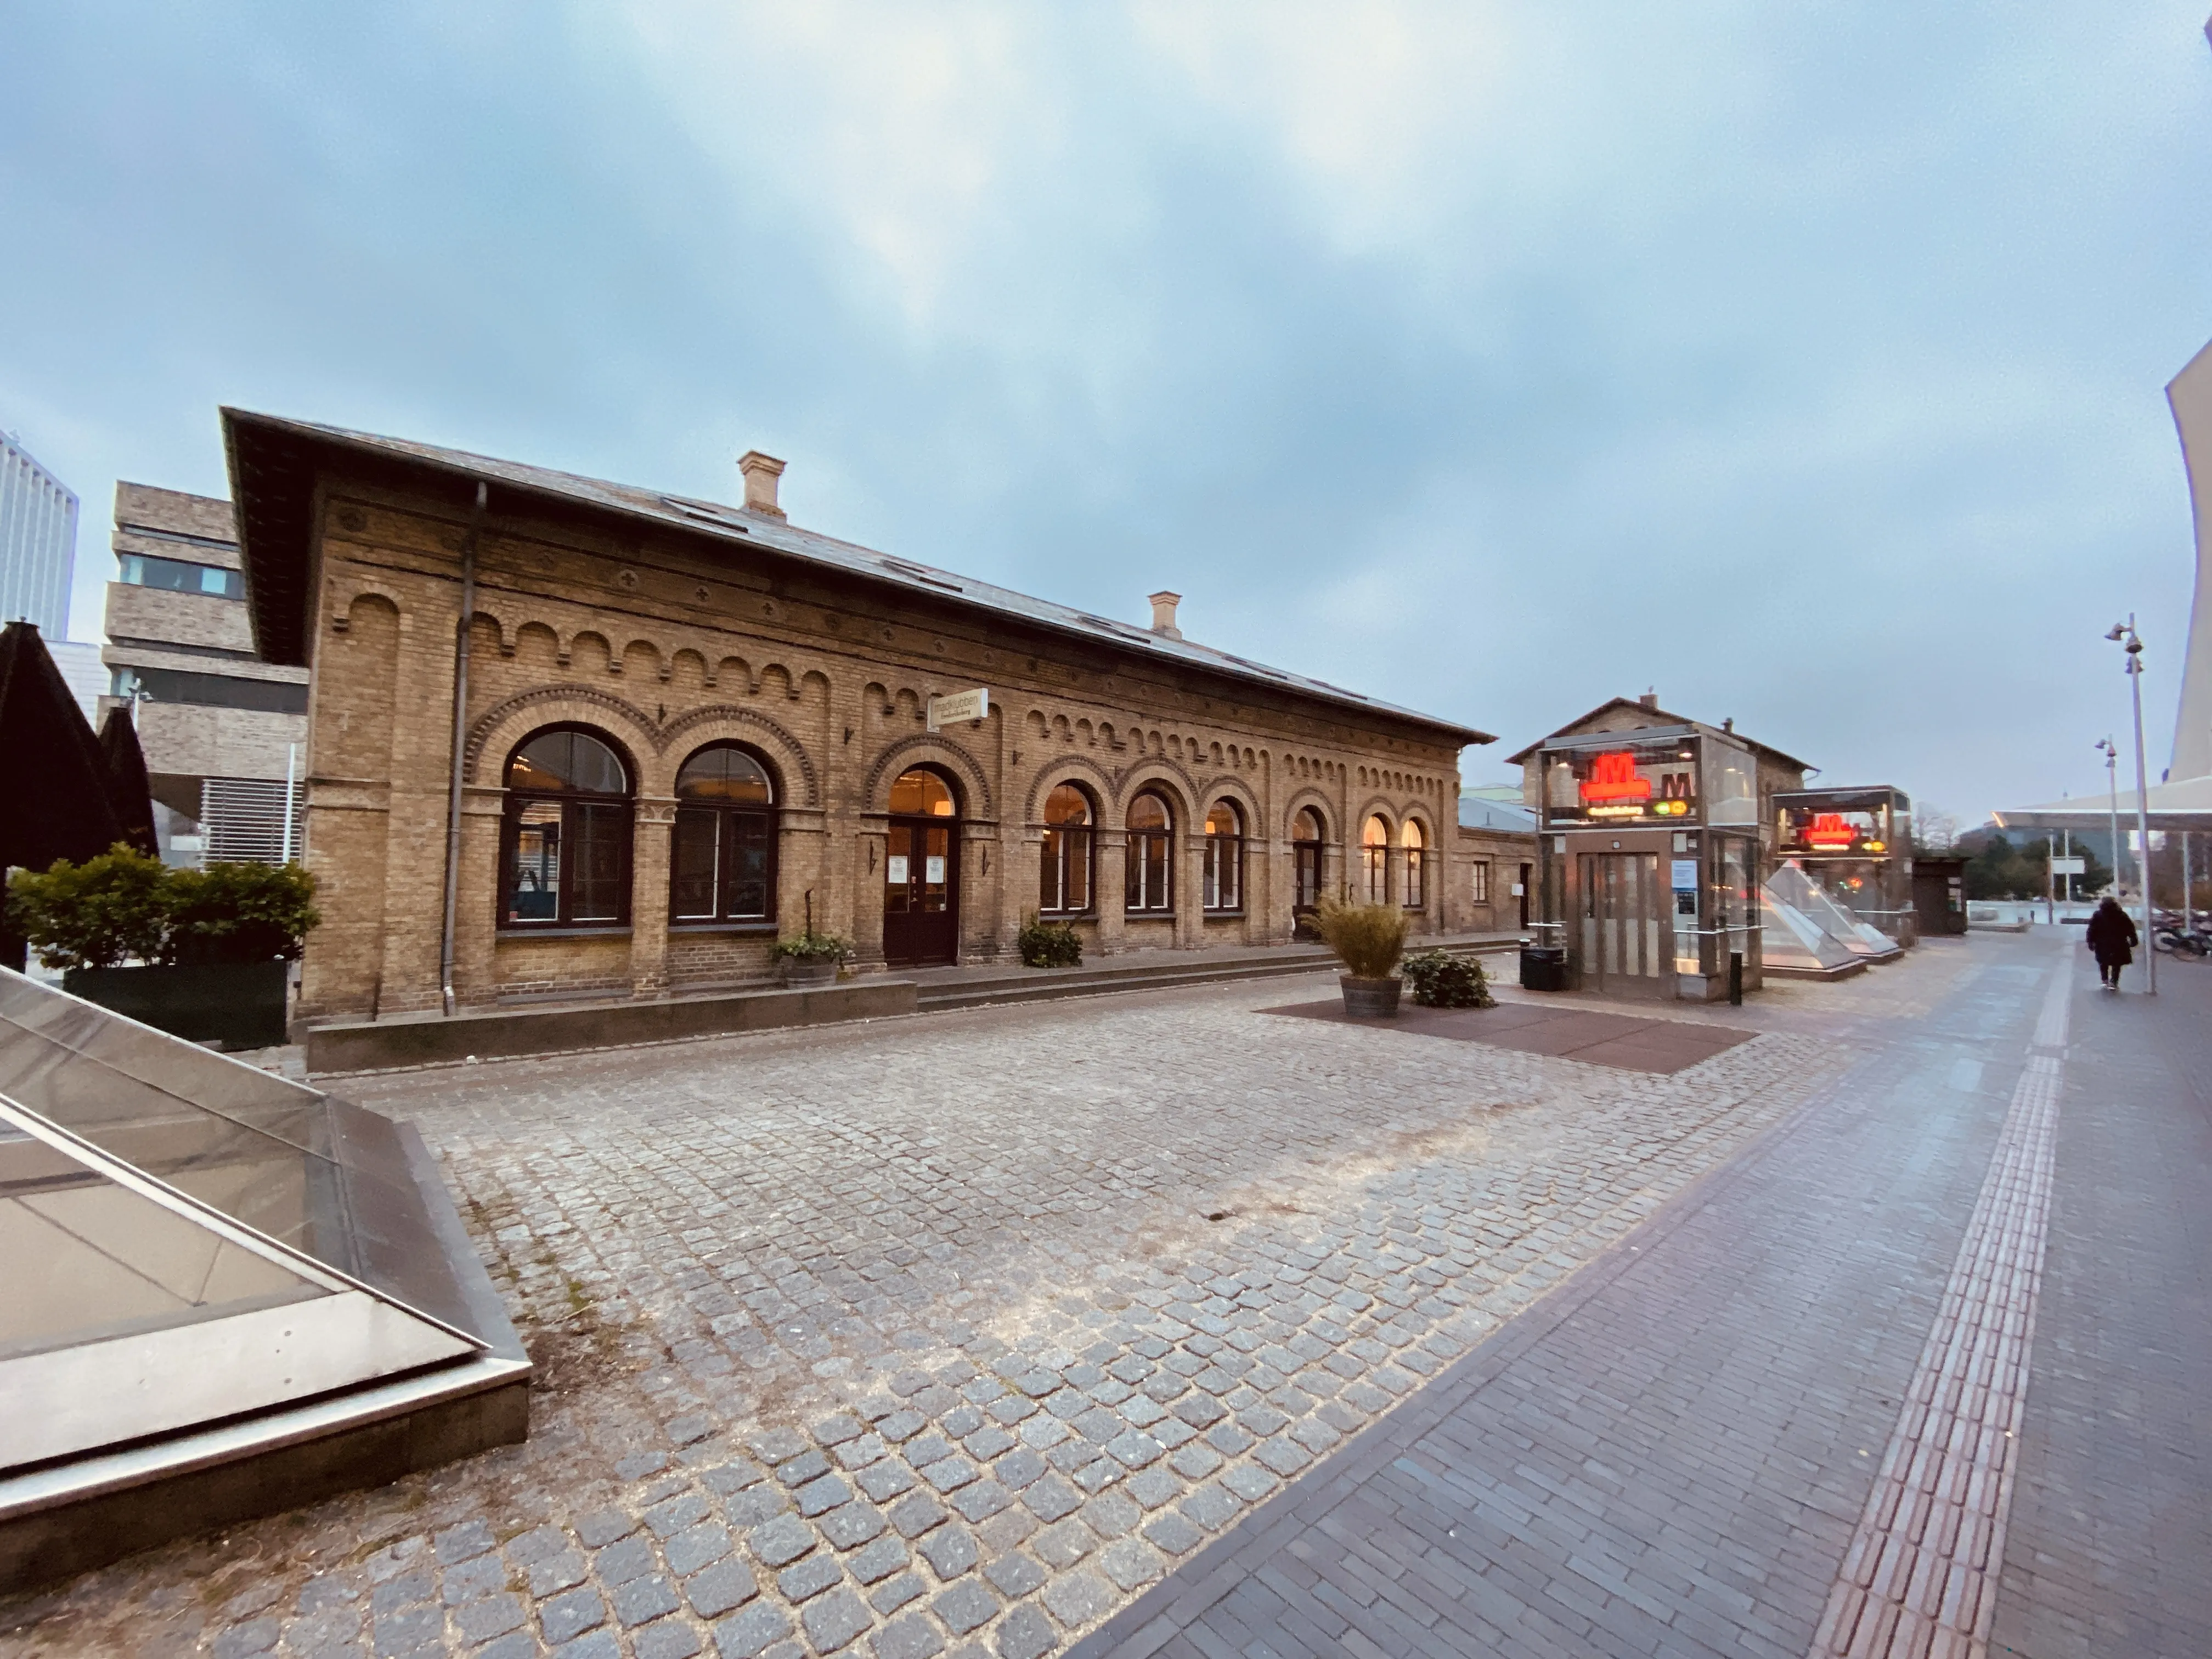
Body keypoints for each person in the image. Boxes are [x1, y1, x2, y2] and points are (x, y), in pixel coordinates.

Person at [2085, 895, 2138, 990]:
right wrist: (2134, 940)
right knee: (2117, 963)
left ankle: (2105, 980)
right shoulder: (2122, 915)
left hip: (2102, 943)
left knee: (2103, 962)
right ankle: (2114, 982)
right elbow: (2130, 929)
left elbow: (2091, 930)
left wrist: (2090, 942)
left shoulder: (2098, 915)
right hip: (2119, 943)